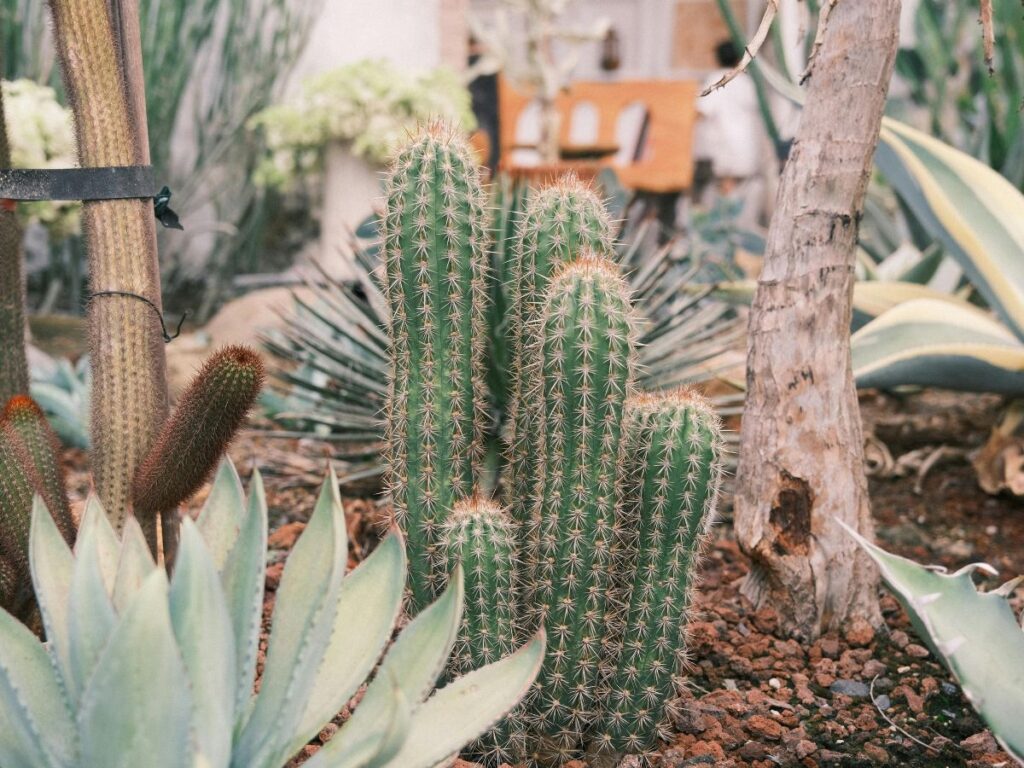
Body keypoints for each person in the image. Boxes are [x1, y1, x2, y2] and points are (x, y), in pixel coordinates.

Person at [694, 41, 766, 226]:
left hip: (724, 146)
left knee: (726, 193)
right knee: (740, 196)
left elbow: (702, 110)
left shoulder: (717, 79)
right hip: (747, 146)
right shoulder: (746, 81)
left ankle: (727, 233)